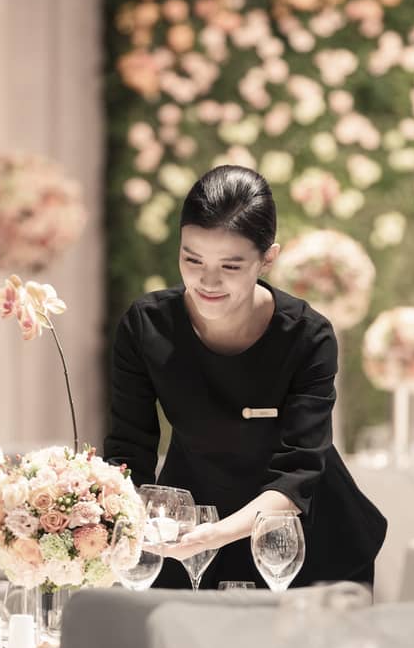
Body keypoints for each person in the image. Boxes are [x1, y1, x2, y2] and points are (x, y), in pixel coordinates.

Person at [103, 165, 386, 589]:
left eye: (230, 266)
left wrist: (213, 536)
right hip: (190, 528)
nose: (207, 281)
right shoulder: (147, 327)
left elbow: (298, 472)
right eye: (191, 259)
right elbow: (129, 452)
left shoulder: (308, 337)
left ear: (267, 259)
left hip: (303, 544)